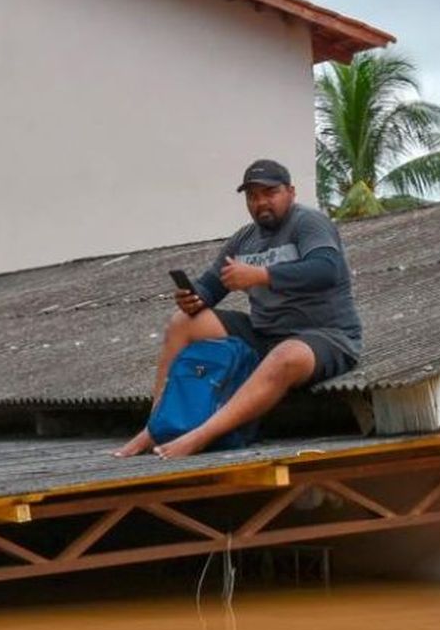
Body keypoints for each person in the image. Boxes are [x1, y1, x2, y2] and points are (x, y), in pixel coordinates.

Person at [114, 159, 362, 460]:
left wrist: (262, 276)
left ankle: (200, 436)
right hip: (265, 334)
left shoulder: (308, 223)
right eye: (252, 196)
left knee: (287, 354)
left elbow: (327, 269)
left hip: (324, 336)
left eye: (269, 192)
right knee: (184, 322)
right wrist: (194, 298)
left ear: (291, 192)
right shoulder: (245, 238)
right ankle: (156, 426)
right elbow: (211, 286)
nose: (261, 202)